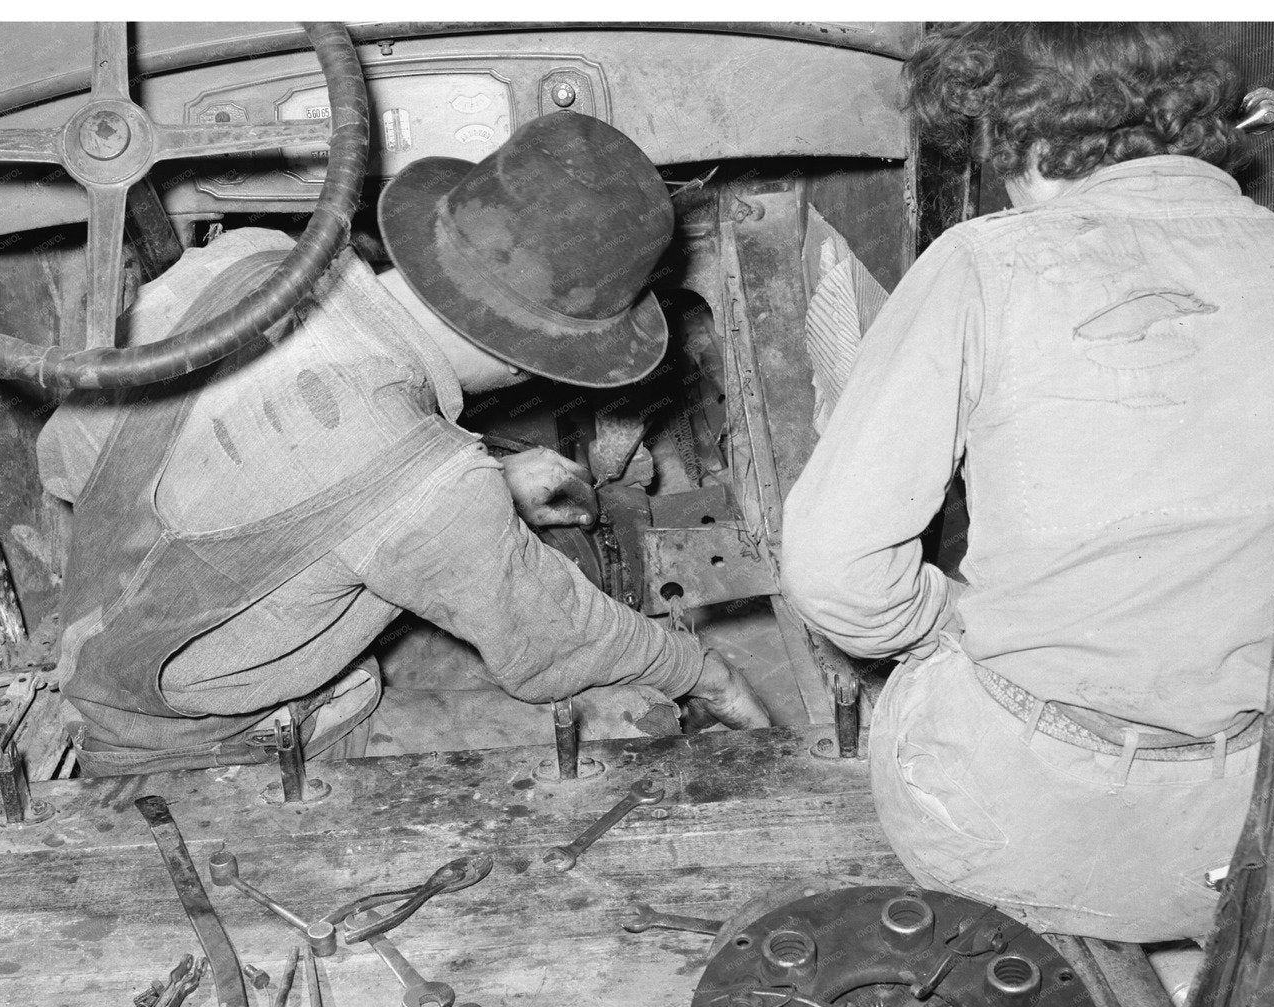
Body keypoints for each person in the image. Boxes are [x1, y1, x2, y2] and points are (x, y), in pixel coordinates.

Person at [781, 23, 1274, 942]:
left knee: (925, 655)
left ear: (1021, 139)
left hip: (1017, 837)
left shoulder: (984, 263)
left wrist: (941, 618)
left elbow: (835, 572)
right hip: (1273, 833)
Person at [38, 111, 769, 776]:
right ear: (533, 358)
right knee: (619, 731)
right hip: (194, 737)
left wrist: (480, 489)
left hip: (94, 633)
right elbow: (552, 643)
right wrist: (704, 670)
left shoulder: (252, 263)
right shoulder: (435, 493)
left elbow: (66, 458)